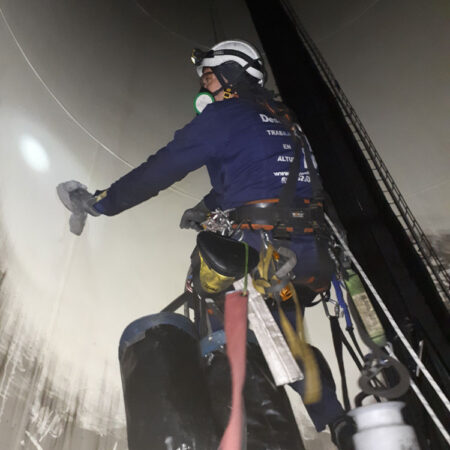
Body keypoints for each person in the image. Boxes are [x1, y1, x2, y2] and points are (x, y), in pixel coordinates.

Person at [57, 39, 351, 447]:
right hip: (310, 255)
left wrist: (101, 204)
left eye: (209, 76)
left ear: (230, 74)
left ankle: (232, 420)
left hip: (258, 249)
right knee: (289, 337)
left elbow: (159, 169)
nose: (204, 87)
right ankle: (338, 421)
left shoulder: (224, 115)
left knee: (209, 293)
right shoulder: (286, 118)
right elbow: (260, 175)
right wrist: (204, 207)